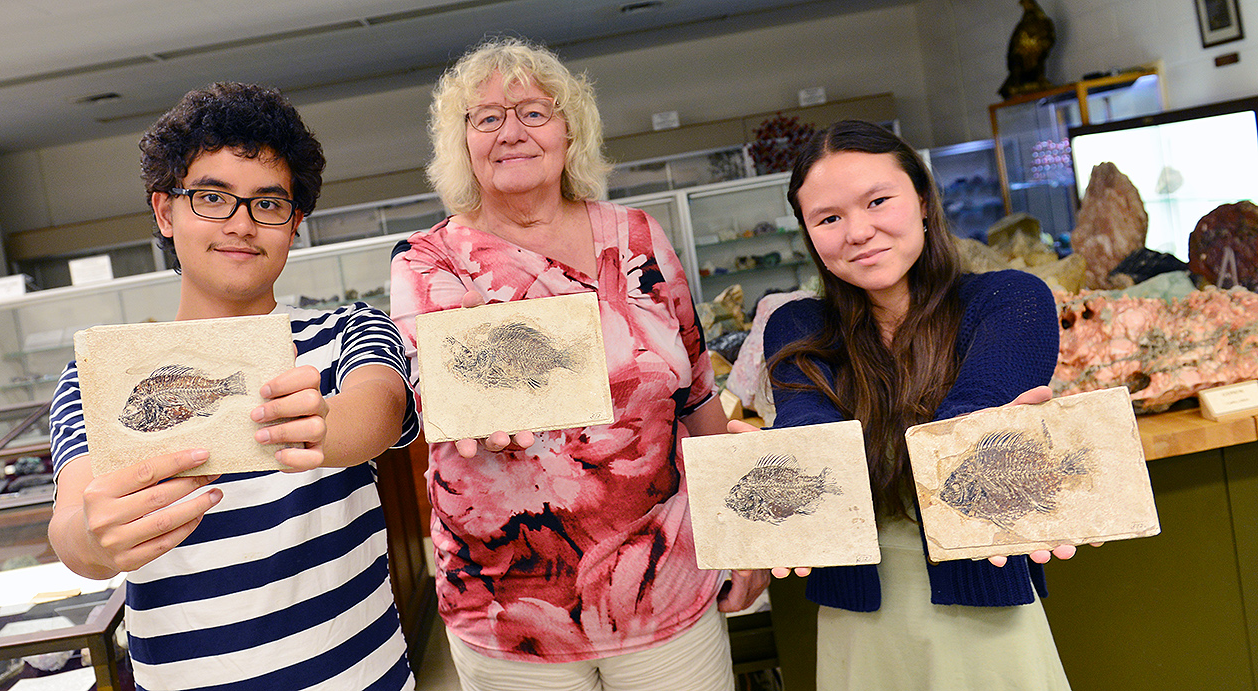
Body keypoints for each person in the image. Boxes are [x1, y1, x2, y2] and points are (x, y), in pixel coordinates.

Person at [389, 37, 767, 691]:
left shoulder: (641, 238)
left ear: (570, 131)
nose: (512, 130)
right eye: (487, 117)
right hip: (510, 613)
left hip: (667, 591)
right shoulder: (430, 261)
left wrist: (744, 537)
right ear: (463, 143)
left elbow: (700, 396)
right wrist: (476, 392)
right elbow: (442, 381)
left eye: (535, 112)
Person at [46, 82, 419, 691]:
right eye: (212, 198)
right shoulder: (105, 371)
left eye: (269, 204)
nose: (242, 224)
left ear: (295, 223)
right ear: (166, 212)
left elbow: (378, 410)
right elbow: (73, 526)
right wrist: (96, 537)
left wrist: (323, 425)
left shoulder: (345, 328)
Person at [750, 118, 1074, 689]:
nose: (857, 232)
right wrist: (771, 472)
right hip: (862, 617)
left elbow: (968, 426)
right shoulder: (797, 325)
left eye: (878, 200)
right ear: (808, 234)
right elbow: (816, 439)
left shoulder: (1010, 300)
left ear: (922, 200)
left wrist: (1047, 473)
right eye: (828, 218)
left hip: (983, 607)